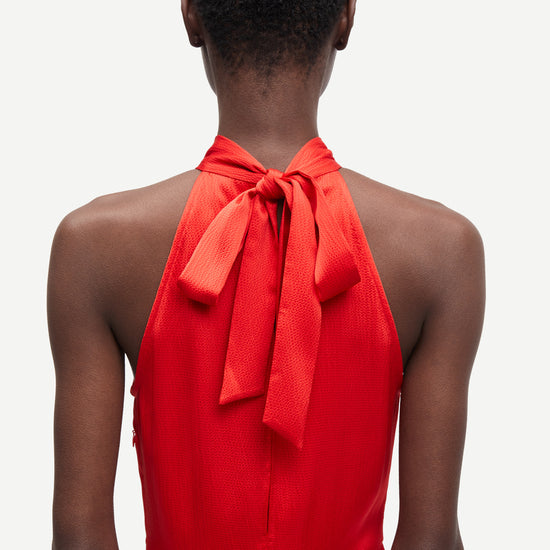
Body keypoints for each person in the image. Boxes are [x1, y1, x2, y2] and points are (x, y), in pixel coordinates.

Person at [47, 1, 485, 548]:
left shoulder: (94, 247)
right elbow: (431, 539)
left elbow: (79, 538)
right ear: (346, 18)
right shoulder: (441, 251)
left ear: (191, 16)